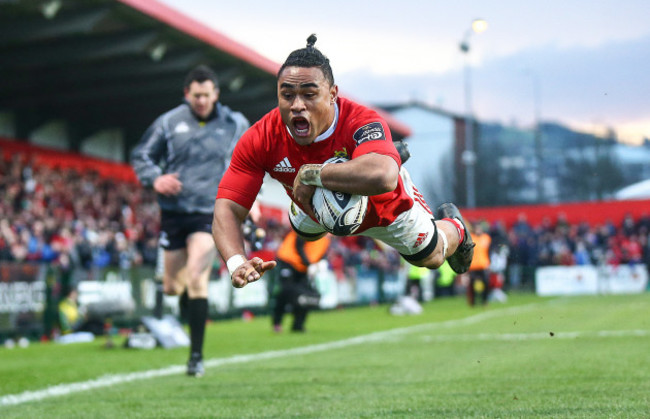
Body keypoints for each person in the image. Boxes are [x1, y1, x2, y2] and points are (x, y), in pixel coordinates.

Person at [212, 34, 474, 292]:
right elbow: (227, 208)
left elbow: (383, 177)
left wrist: (309, 174)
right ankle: (375, 157)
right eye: (287, 95)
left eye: (309, 94)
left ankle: (455, 228)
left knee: (431, 258)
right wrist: (236, 261)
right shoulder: (260, 138)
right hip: (311, 205)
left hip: (382, 206)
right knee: (305, 231)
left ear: (333, 94)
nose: (297, 105)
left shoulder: (361, 120)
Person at [130, 65, 249, 377]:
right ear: (187, 94)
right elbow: (141, 155)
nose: (201, 101)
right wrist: (155, 178)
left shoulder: (234, 124)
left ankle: (195, 357)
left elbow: (251, 162)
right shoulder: (169, 123)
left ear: (216, 94)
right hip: (173, 213)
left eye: (206, 95)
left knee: (197, 275)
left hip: (209, 212)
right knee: (172, 287)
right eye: (196, 96)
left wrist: (254, 199)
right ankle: (185, 302)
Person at [271, 230, 330, 333]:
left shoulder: (326, 239)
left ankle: (298, 325)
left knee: (305, 295)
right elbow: (299, 245)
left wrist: (320, 263)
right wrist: (309, 264)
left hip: (303, 268)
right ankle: (277, 322)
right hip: (288, 262)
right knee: (285, 292)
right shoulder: (311, 226)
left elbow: (319, 253)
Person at [467, 221, 492, 306]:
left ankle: (484, 300)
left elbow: (489, 251)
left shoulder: (486, 238)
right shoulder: (471, 238)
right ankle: (472, 302)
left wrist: (489, 263)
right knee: (472, 284)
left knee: (486, 283)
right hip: (473, 266)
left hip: (483, 265)